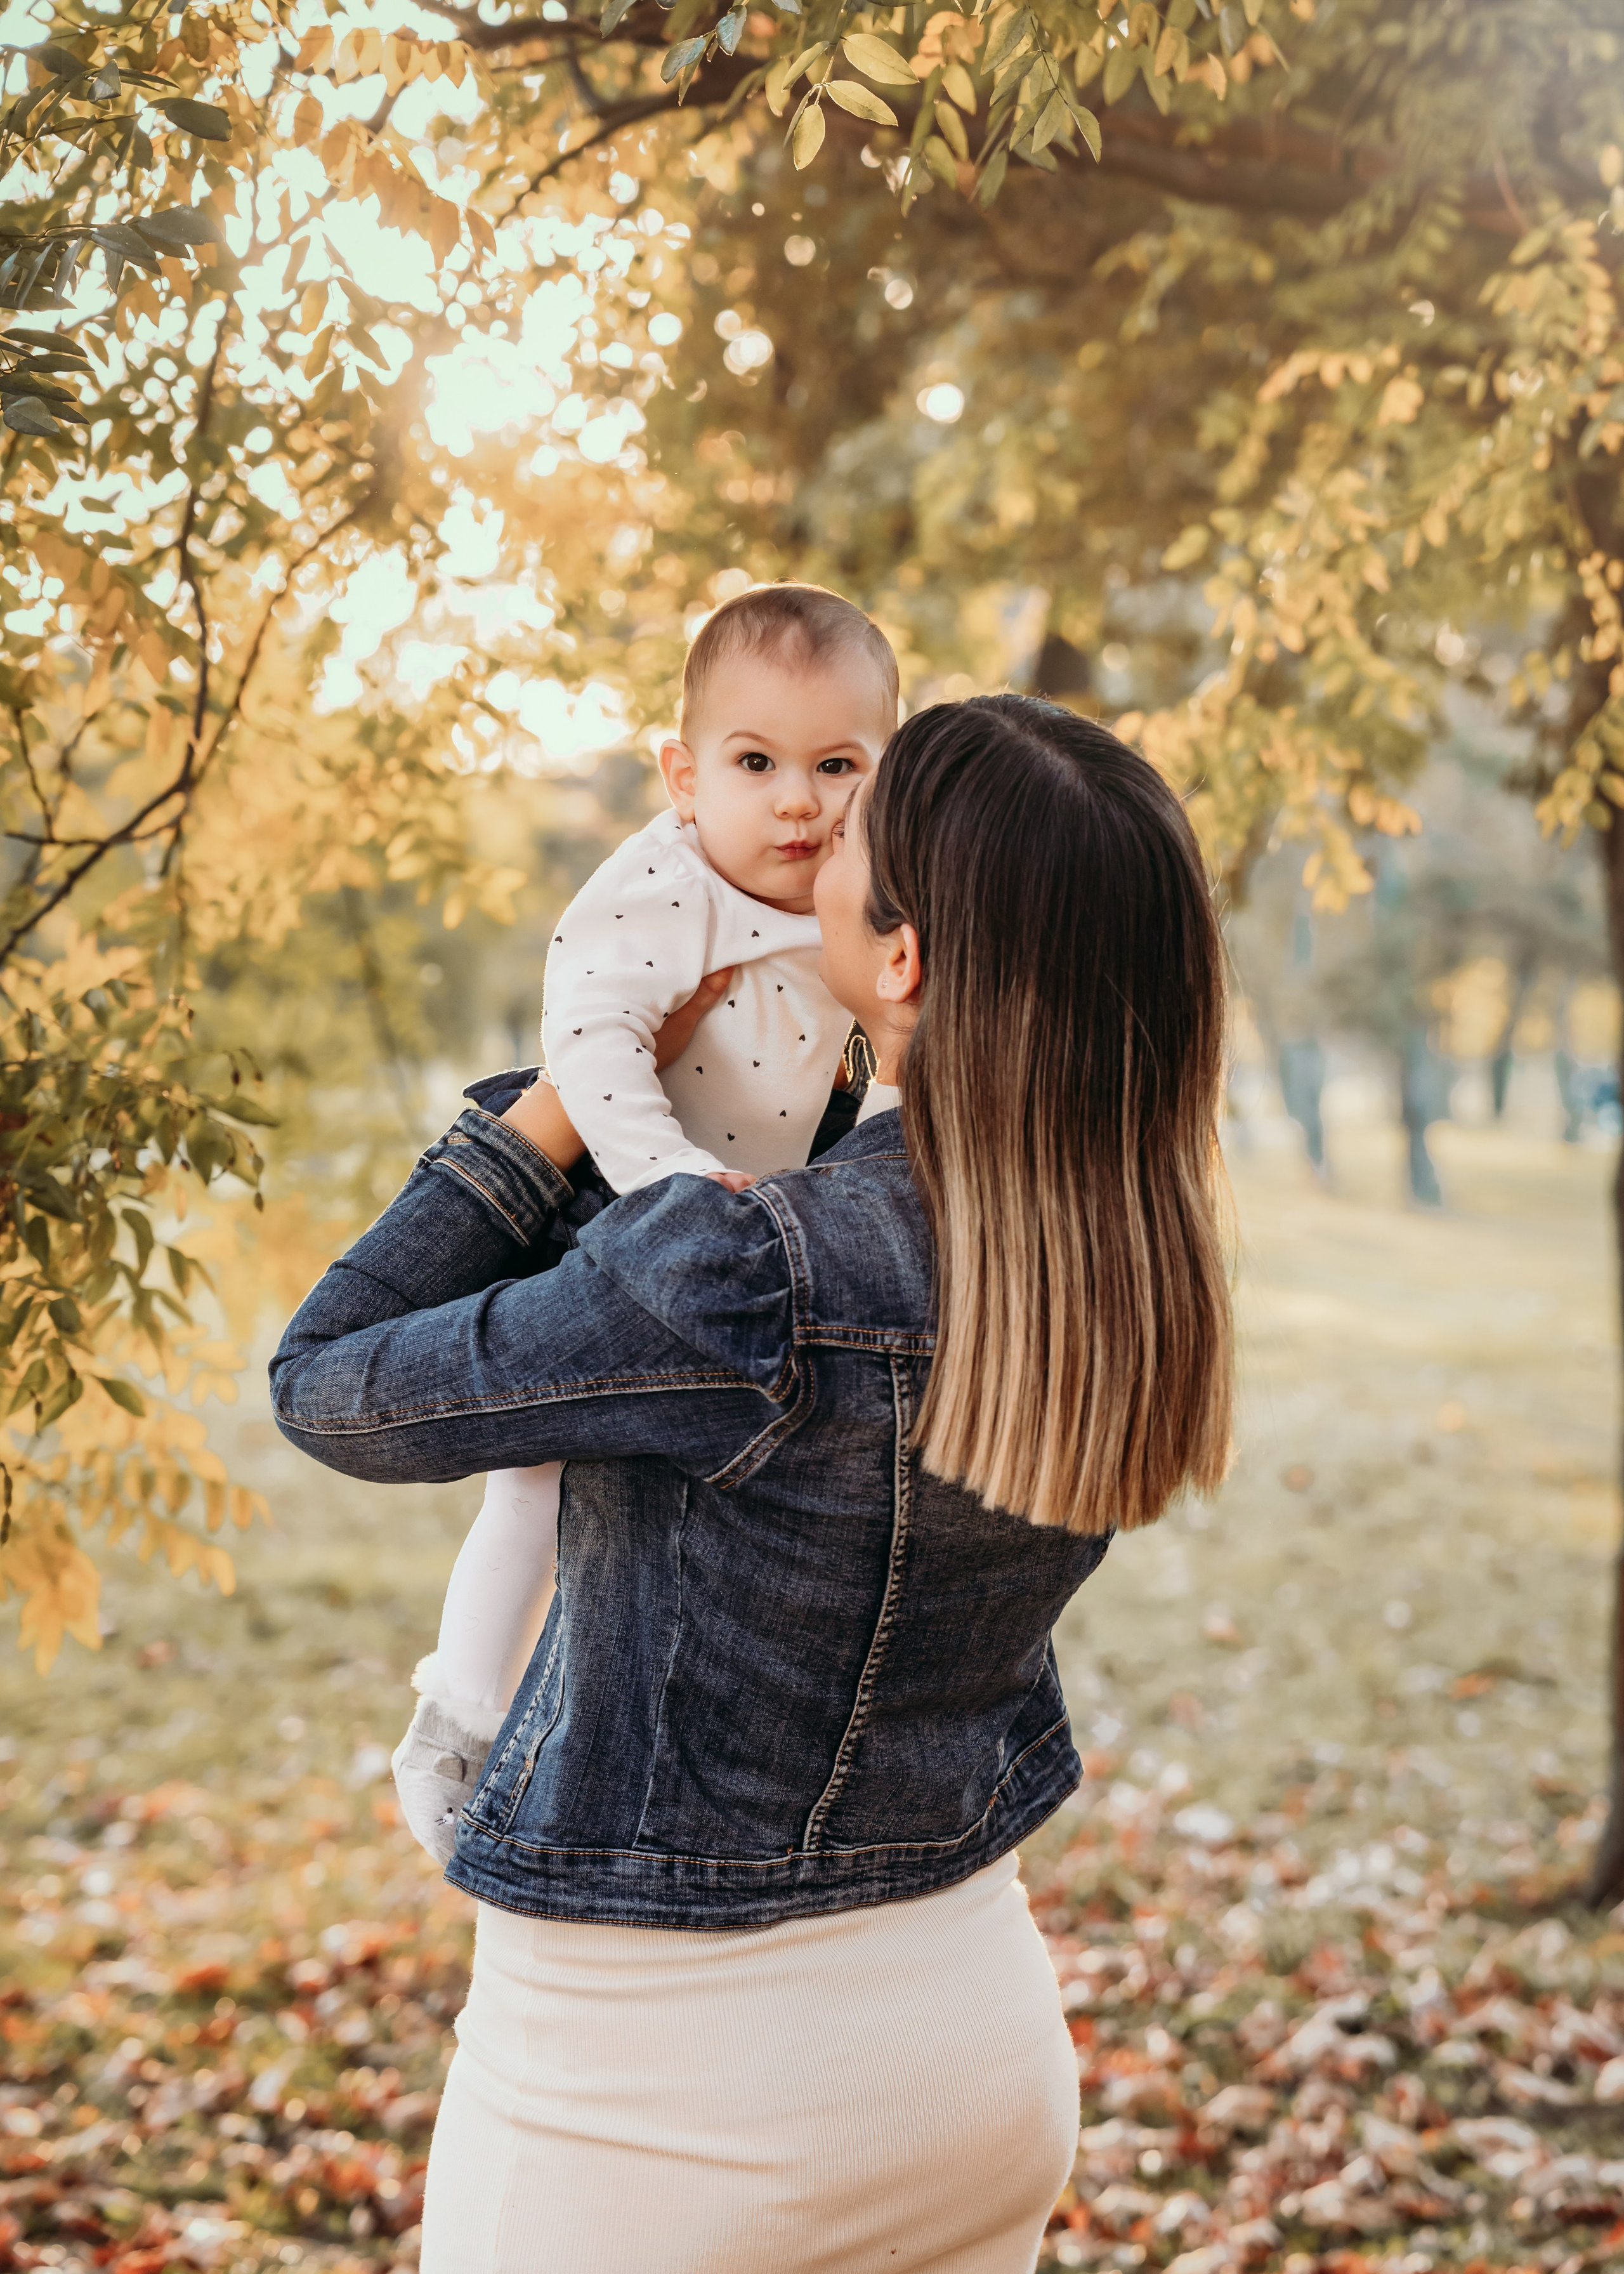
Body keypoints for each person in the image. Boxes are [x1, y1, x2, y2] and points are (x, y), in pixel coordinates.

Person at [270, 693, 1234, 2274]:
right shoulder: (1121, 1264)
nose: (804, 842)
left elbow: (328, 1377)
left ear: (903, 959)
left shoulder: (743, 1265)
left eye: (849, 827)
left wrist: (567, 1100)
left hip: (659, 2099)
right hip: (971, 2046)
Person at [394, 587, 898, 1860]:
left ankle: (621, 1748)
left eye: (836, 765)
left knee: (663, 1489)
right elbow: (595, 1046)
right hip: (615, 1203)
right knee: (531, 1481)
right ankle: (454, 1713)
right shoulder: (660, 886)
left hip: (743, 1216)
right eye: (755, 763)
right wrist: (665, 1182)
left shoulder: (860, 883)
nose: (797, 801)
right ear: (683, 775)